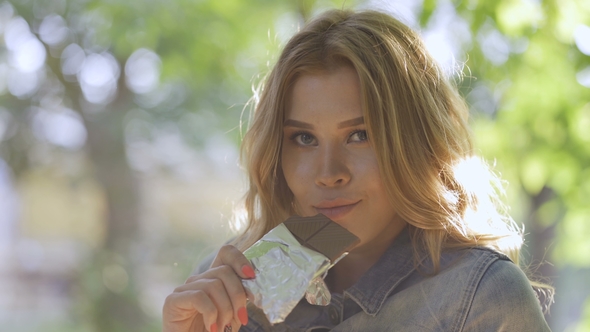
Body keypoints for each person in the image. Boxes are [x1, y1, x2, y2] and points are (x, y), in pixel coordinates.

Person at [163, 9, 553, 332]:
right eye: (304, 138)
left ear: (417, 144)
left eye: (360, 135)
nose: (329, 173)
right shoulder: (226, 294)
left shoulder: (480, 297)